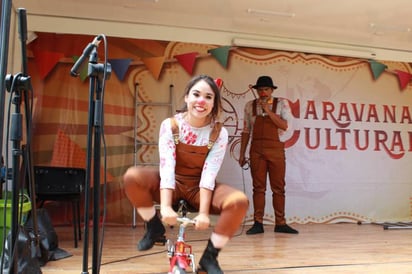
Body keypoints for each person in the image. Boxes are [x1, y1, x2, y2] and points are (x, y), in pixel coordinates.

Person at [123, 74, 249, 273]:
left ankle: (210, 258)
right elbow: (167, 166)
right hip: (172, 183)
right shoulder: (171, 126)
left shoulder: (218, 132)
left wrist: (204, 213)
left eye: (208, 97)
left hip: (199, 189)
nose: (201, 101)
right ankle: (154, 227)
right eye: (196, 94)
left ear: (214, 103)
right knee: (132, 177)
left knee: (239, 201)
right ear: (186, 97)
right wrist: (164, 207)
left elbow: (209, 173)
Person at [238, 75, 298, 235]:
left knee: (278, 188)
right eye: (260, 89)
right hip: (256, 150)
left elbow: (285, 126)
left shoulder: (282, 104)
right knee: (258, 188)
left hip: (275, 149)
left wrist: (268, 111)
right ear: (257, 91)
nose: (263, 92)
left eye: (266, 89)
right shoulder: (249, 106)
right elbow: (246, 131)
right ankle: (258, 223)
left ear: (272, 90)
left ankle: (281, 223)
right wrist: (242, 153)